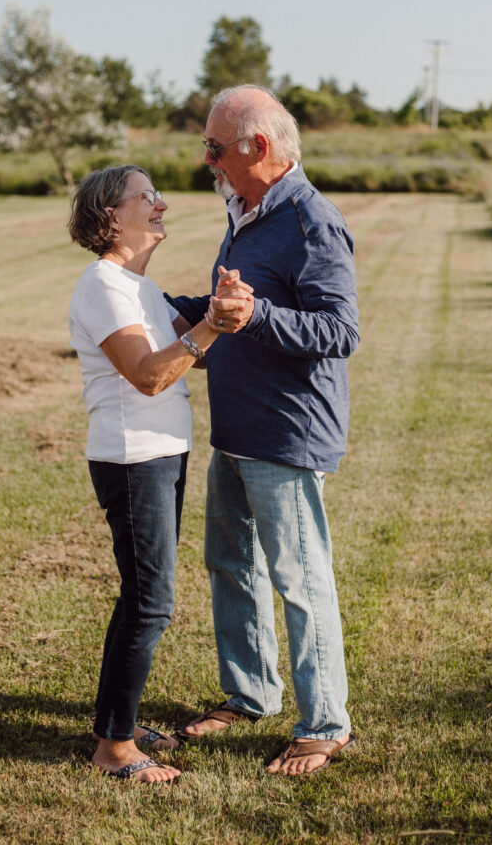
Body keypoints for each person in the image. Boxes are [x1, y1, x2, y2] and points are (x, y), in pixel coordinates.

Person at [166, 85, 360, 776]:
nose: (207, 160)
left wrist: (259, 318)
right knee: (230, 567)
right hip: (237, 430)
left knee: (300, 581)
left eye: (214, 148)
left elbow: (340, 333)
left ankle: (325, 725)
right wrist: (147, 304)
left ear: (258, 148)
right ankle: (249, 695)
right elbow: (227, 307)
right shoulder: (245, 210)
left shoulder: (312, 223)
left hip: (287, 434)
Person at [68, 164, 250, 783]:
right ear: (112, 216)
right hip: (131, 458)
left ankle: (117, 721)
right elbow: (148, 374)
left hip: (162, 453)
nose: (161, 204)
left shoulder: (140, 287)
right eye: (146, 197)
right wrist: (210, 326)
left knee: (140, 597)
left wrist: (227, 307)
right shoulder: (102, 286)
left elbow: (186, 359)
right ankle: (114, 748)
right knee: (150, 603)